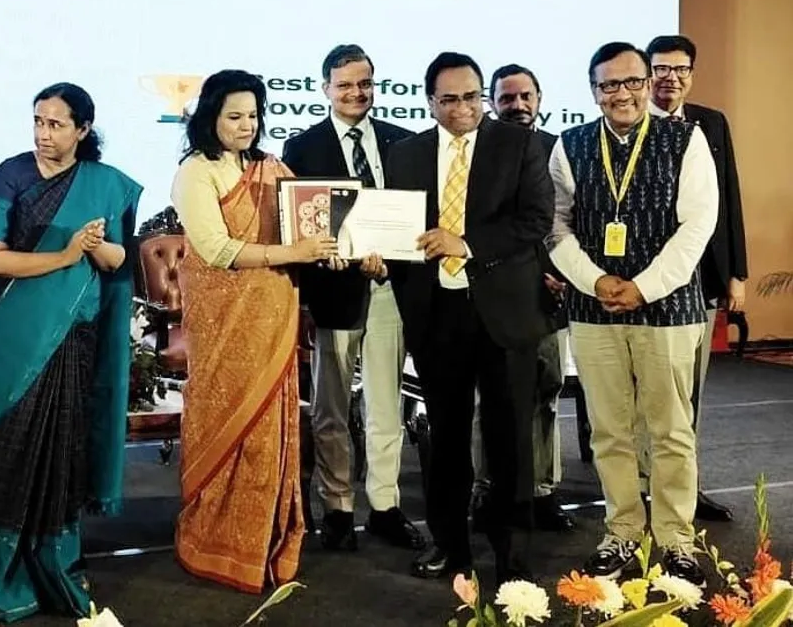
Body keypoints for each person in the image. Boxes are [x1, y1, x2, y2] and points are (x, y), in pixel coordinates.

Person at [0, 83, 142, 622]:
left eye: (56, 124)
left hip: (74, 338)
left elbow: (117, 260)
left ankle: (56, 568)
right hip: (14, 335)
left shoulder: (104, 185)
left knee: (63, 453)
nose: (44, 134)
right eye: (38, 122)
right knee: (10, 453)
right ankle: (3, 578)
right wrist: (65, 255)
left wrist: (95, 247)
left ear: (82, 130)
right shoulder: (10, 175)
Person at [549, 42, 717, 585]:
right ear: (593, 90)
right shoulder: (570, 145)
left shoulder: (686, 139)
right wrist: (596, 281)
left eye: (631, 82)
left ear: (648, 83)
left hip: (668, 307)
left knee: (671, 431)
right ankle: (622, 529)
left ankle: (676, 538)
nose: (621, 93)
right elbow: (556, 226)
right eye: (608, 85)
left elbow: (698, 225)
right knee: (608, 430)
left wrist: (643, 288)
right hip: (593, 307)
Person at [383, 52, 552, 585]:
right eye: (450, 99)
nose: (463, 108)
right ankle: (450, 546)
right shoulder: (404, 154)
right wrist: (377, 256)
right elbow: (395, 231)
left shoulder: (519, 144)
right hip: (436, 315)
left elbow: (536, 220)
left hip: (505, 314)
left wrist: (467, 243)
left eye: (472, 97)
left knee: (510, 441)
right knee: (445, 439)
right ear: (430, 102)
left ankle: (512, 557)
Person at [171, 69, 342, 593]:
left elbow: (311, 226)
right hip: (224, 324)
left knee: (270, 431)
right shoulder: (195, 172)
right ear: (211, 118)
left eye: (253, 115)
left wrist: (332, 250)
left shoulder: (272, 168)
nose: (247, 125)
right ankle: (214, 540)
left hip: (273, 318)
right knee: (225, 421)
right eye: (235, 116)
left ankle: (264, 540)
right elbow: (218, 250)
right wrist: (293, 252)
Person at [280, 45, 423, 552]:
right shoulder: (302, 147)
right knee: (331, 408)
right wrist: (327, 257)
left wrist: (394, 258)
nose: (355, 93)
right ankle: (338, 509)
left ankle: (385, 506)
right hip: (334, 290)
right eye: (344, 85)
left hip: (390, 288)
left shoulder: (403, 142)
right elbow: (298, 223)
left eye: (364, 84)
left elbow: (413, 218)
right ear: (325, 89)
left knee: (386, 404)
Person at [644, 34, 748, 523]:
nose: (671, 78)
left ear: (692, 74)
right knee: (649, 392)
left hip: (702, 280)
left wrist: (737, 274)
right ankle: (643, 486)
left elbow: (729, 198)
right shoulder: (630, 124)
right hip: (648, 282)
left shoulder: (712, 122)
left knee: (693, 393)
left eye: (680, 69)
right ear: (647, 74)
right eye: (661, 69)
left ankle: (686, 487)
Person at [472, 63, 576, 533]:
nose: (517, 105)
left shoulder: (560, 150)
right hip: (496, 295)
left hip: (549, 297)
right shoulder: (479, 151)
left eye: (525, 96)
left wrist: (562, 274)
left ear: (539, 99)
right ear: (492, 103)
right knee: (490, 399)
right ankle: (487, 488)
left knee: (546, 393)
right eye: (506, 98)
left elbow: (570, 220)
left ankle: (543, 491)